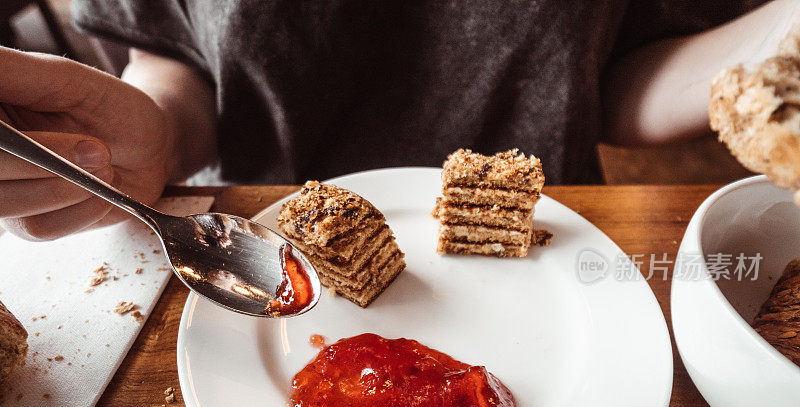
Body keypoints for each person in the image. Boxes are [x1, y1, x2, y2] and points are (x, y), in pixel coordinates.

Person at [0, 0, 796, 241]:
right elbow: (178, 51)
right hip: (256, 246)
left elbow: (610, 67)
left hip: (558, 246)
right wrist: (153, 131)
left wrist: (776, 40)